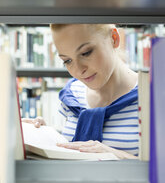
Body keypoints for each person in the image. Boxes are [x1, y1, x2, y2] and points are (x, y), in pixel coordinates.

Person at [22, 24, 139, 159]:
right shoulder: (72, 95)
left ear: (114, 38)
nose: (78, 70)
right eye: (67, 60)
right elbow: (71, 148)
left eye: (86, 53)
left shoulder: (152, 97)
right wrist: (43, 135)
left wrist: (116, 156)